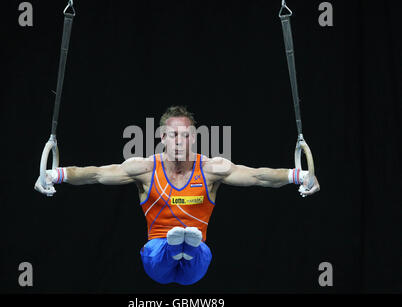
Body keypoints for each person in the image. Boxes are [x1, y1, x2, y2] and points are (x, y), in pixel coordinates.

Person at [34, 105, 320, 285]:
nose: (180, 141)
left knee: (199, 254)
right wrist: (54, 174)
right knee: (156, 252)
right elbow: (95, 173)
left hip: (198, 257)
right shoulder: (145, 169)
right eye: (174, 135)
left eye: (185, 135)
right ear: (162, 137)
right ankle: (176, 246)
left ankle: (186, 246)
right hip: (157, 251)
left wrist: (299, 175)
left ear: (194, 137)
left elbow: (258, 175)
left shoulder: (210, 169)